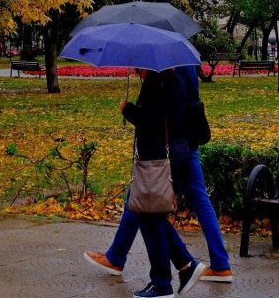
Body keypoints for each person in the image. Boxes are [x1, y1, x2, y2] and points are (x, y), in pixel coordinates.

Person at [84, 64, 233, 284]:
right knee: (193, 200)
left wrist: (131, 108)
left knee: (142, 200)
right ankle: (219, 264)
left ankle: (143, 264)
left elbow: (156, 112)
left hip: (170, 145)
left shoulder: (164, 69)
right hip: (187, 139)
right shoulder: (184, 59)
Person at [98, 68, 206, 297]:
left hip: (158, 159)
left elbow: (151, 121)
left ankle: (162, 284)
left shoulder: (157, 82)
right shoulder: (171, 79)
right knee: (152, 217)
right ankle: (185, 264)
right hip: (174, 154)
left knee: (149, 218)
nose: (137, 69)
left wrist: (128, 110)